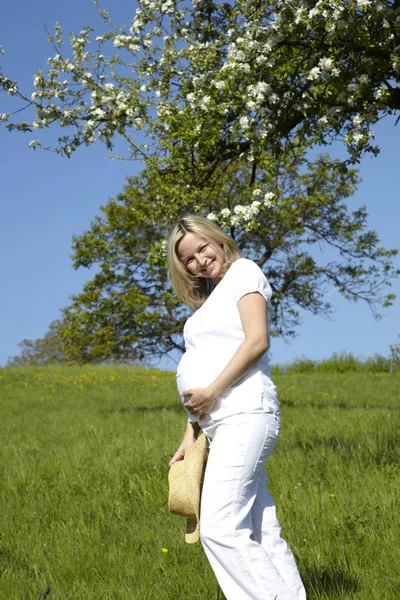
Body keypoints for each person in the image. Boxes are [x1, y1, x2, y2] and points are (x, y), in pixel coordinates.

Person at [167, 214, 306, 600]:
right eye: (189, 259)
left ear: (217, 238)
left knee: (220, 527)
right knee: (261, 530)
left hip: (245, 413)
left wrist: (210, 392)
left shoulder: (244, 271)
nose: (199, 260)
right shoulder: (213, 298)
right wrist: (190, 433)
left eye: (202, 248)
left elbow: (257, 340)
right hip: (218, 424)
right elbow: (208, 359)